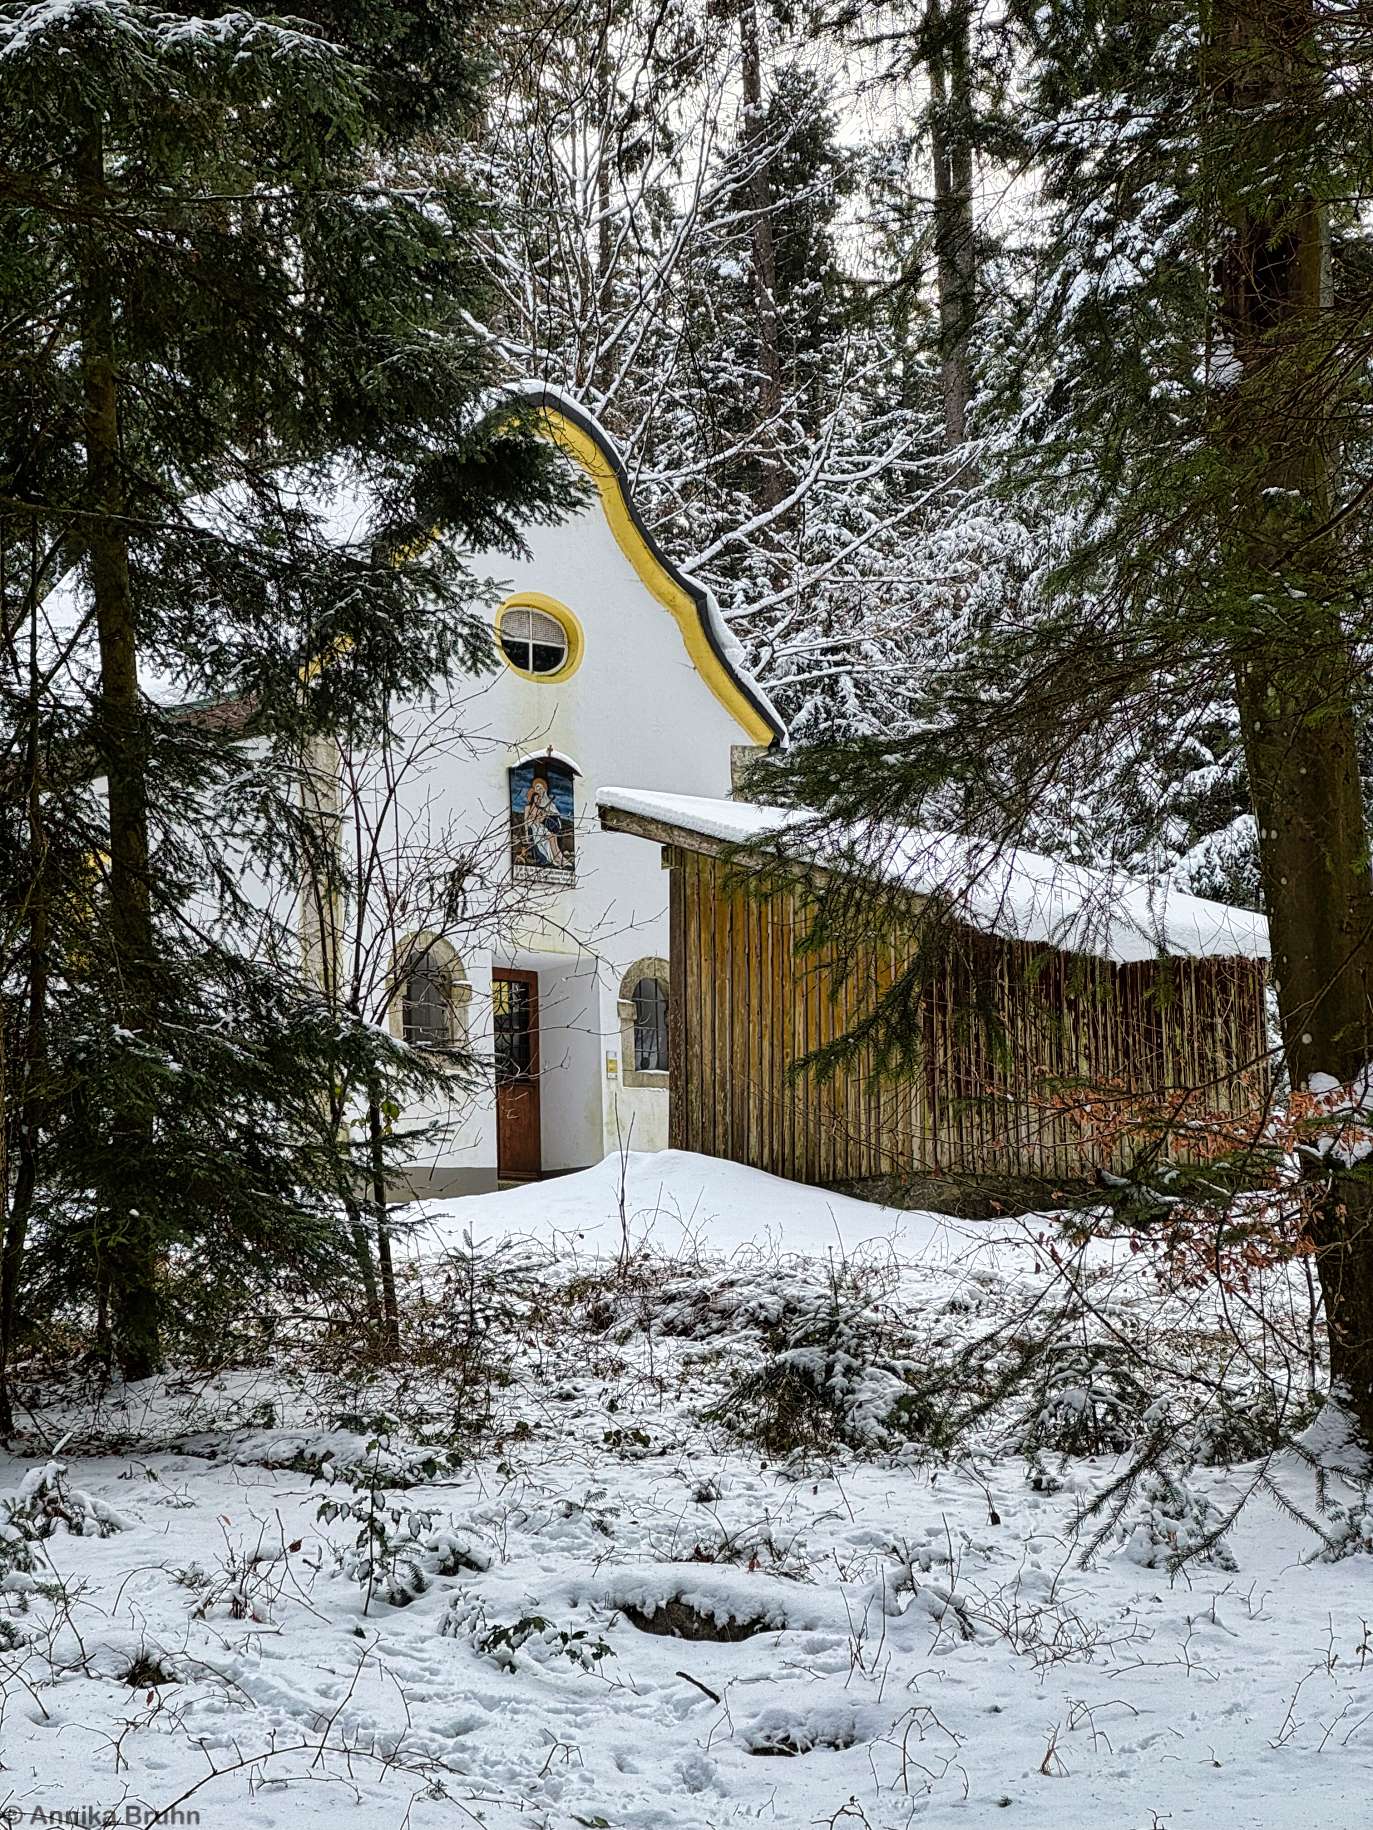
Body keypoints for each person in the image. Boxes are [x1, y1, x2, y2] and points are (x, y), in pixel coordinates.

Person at [521, 773, 568, 867]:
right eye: (537, 789)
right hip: (534, 829)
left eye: (541, 788)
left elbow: (545, 818)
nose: (538, 799)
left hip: (541, 827)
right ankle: (553, 859)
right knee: (549, 837)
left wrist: (546, 815)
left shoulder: (541, 808)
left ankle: (559, 858)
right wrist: (527, 834)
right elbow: (526, 821)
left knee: (553, 836)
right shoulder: (528, 807)